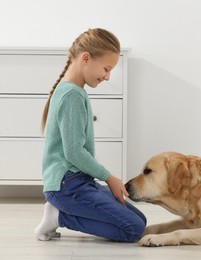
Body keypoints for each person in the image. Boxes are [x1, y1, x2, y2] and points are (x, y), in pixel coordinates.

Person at [34, 28, 146, 242]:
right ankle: (59, 216)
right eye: (106, 68)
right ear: (86, 58)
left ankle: (61, 212)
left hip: (78, 180)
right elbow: (74, 152)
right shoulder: (71, 95)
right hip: (66, 185)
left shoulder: (75, 91)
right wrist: (109, 178)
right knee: (133, 229)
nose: (107, 76)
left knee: (139, 219)